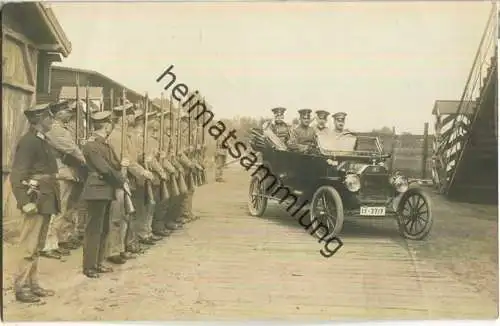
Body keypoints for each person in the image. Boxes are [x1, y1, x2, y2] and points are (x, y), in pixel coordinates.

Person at [10, 103, 59, 303]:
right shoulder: (29, 141)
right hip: (35, 197)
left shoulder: (42, 140)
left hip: (46, 196)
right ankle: (20, 287)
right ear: (39, 120)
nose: (52, 119)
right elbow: (17, 174)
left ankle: (32, 282)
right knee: (28, 246)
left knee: (37, 245)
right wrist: (23, 201)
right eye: (49, 116)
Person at [81, 110, 129, 278]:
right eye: (109, 124)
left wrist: (121, 165)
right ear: (106, 126)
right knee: (94, 229)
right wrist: (121, 179)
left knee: (104, 228)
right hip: (96, 190)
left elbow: (114, 165)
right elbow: (105, 169)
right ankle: (89, 266)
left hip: (106, 189)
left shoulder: (105, 145)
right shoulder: (91, 145)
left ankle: (98, 262)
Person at [39, 100, 87, 260]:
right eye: (67, 111)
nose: (70, 113)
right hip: (60, 171)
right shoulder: (55, 129)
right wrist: (86, 160)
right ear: (58, 113)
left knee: (68, 209)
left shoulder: (65, 128)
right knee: (58, 209)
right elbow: (71, 148)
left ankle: (62, 238)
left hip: (69, 172)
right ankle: (49, 245)